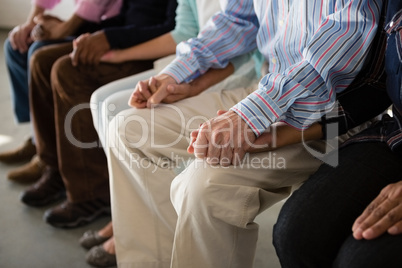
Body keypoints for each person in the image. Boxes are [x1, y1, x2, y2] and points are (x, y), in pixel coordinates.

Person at [106, 0, 391, 267]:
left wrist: (249, 115)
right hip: (266, 89)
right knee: (128, 130)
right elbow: (237, 19)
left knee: (203, 187)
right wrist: (176, 75)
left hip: (330, 109)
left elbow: (344, 37)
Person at [80, 0, 259, 266]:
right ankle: (132, 227)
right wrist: (174, 78)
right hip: (216, 68)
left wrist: (192, 84)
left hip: (255, 83)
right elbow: (232, 26)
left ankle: (144, 228)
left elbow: (252, 51)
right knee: (123, 121)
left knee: (126, 118)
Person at [18, 0, 177, 229]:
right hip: (127, 40)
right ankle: (55, 168)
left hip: (151, 55)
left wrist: (109, 39)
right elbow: (127, 18)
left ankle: (92, 194)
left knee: (67, 71)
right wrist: (95, 35)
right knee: (41, 60)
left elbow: (172, 30)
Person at [273, 2, 402, 267]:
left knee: (362, 259)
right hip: (396, 132)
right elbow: (376, 83)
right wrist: (295, 130)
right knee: (297, 233)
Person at [0, 0, 122, 183]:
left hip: (112, 24)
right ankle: (39, 139)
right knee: (16, 46)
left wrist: (62, 30)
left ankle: (50, 157)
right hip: (86, 22)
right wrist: (31, 24)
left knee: (40, 51)